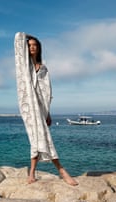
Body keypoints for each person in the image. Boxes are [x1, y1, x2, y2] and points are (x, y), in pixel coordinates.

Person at [14, 32, 78, 186]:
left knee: (38, 138)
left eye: (35, 45)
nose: (32, 48)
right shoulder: (24, 66)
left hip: (41, 108)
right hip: (28, 107)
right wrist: (28, 36)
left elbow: (47, 91)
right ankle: (61, 170)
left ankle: (32, 173)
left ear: (39, 48)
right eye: (29, 46)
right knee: (37, 138)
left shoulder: (43, 68)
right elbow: (17, 37)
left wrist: (48, 112)